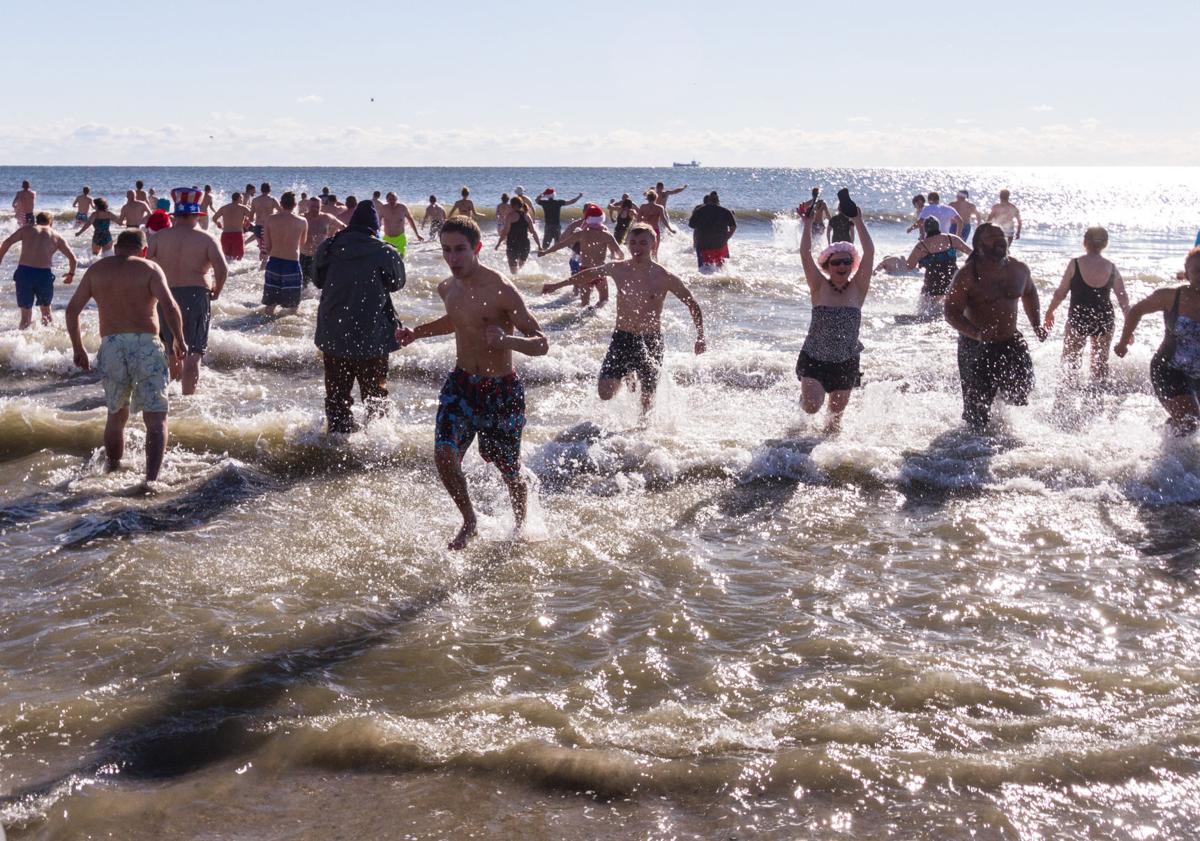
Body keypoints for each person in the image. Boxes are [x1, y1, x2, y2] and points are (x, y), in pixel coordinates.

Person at [397, 217, 549, 550]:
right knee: (444, 454)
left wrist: (508, 340)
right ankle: (470, 521)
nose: (453, 258)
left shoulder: (501, 289)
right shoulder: (446, 287)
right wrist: (416, 333)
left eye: (460, 250)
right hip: (461, 384)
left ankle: (522, 528)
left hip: (502, 390)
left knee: (510, 471)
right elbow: (456, 320)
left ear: (477, 248)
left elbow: (541, 343)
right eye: (447, 250)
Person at [541, 223, 705, 414]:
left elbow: (692, 303)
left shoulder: (664, 277)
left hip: (650, 339)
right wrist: (557, 285)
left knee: (646, 398)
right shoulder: (618, 269)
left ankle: (642, 434)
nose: (637, 247)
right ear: (627, 244)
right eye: (633, 242)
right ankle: (628, 372)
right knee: (605, 392)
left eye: (643, 243)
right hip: (622, 338)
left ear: (653, 244)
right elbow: (589, 274)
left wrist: (700, 336)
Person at [65, 229, 186, 484]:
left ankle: (112, 470)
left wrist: (78, 348)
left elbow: (72, 310)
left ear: (117, 247)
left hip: (111, 345)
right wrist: (178, 339)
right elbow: (170, 305)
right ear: (143, 250)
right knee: (156, 417)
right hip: (146, 344)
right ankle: (151, 481)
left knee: (116, 415)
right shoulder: (149, 267)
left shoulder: (96, 271)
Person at [313, 200, 406, 434]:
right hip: (372, 337)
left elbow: (317, 280)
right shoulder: (385, 251)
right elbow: (397, 283)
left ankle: (336, 441)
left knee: (336, 397)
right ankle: (376, 444)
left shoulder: (329, 247)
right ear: (375, 228)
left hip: (334, 334)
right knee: (375, 397)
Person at [943, 223, 1047, 430]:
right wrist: (977, 334)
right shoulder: (967, 275)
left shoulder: (1019, 269)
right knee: (976, 415)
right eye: (992, 236)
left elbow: (1030, 293)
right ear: (979, 245)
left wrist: (1036, 324)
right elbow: (950, 312)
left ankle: (1002, 427)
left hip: (1011, 341)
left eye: (1002, 235)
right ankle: (971, 451)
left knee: (1020, 393)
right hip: (976, 345)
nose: (1000, 239)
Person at [796, 207, 875, 433]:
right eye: (836, 262)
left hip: (846, 359)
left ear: (852, 263)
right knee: (812, 406)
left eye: (846, 261)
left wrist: (858, 220)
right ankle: (801, 402)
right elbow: (804, 254)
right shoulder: (818, 286)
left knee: (833, 424)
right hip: (815, 355)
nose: (841, 266)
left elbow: (869, 253)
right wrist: (808, 223)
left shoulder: (858, 288)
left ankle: (827, 461)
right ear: (827, 266)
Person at [146, 188, 229, 394]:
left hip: (166, 294)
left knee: (172, 348)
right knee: (194, 352)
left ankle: (174, 393)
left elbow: (145, 266)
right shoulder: (206, 238)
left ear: (175, 214)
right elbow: (222, 269)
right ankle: (188, 398)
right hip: (196, 294)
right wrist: (217, 290)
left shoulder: (158, 238)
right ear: (196, 214)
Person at [1115, 247, 1200, 435]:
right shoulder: (1170, 296)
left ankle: (1162, 445)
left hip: (1197, 375)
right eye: (1198, 271)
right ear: (1187, 274)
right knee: (1190, 420)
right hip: (1168, 368)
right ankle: (1171, 461)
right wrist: (1123, 342)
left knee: (1186, 422)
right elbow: (1137, 310)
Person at [1043, 227, 1130, 388]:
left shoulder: (1075, 264)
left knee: (1070, 361)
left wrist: (1050, 311)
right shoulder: (1111, 267)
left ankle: (1067, 394)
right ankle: (1096, 396)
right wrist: (1129, 326)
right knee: (1100, 363)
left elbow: (1060, 293)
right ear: (1105, 244)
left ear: (1085, 242)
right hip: (1104, 319)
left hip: (1078, 318)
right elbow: (1123, 299)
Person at [0, 212, 78, 328]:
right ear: (51, 222)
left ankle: (22, 341)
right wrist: (71, 274)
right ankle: (47, 342)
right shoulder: (56, 236)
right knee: (46, 312)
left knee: (25, 316)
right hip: (43, 275)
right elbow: (73, 259)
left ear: (37, 220)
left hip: (24, 273)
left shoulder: (26, 229)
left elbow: (6, 243)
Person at [539, 203, 624, 306]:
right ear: (601, 218)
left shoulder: (581, 234)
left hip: (584, 271)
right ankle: (594, 313)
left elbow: (561, 244)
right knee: (604, 299)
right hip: (599, 271)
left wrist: (545, 252)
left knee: (584, 303)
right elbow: (620, 254)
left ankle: (581, 318)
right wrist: (617, 263)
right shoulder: (606, 235)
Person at [905, 217, 972, 314]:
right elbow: (972, 253)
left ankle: (924, 316)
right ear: (938, 226)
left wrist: (921, 261)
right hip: (952, 278)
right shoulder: (952, 238)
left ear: (925, 229)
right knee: (952, 304)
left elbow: (909, 266)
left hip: (932, 281)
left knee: (926, 308)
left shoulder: (922, 245)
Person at [261, 191, 308, 316]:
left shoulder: (270, 219)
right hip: (292, 263)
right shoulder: (302, 221)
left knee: (270, 305)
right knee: (293, 305)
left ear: (281, 204)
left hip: (274, 262)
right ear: (295, 204)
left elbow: (267, 245)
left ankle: (264, 324)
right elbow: (302, 245)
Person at [300, 196, 345, 286]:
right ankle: (304, 300)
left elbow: (343, 227)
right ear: (308, 206)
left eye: (317, 207)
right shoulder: (302, 218)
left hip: (321, 256)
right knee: (304, 284)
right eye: (312, 207)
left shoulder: (327, 218)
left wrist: (335, 241)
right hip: (305, 255)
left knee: (321, 284)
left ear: (321, 207)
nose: (315, 209)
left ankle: (318, 300)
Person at [687, 191, 737, 270]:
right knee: (721, 268)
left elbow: (691, 225)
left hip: (703, 244)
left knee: (704, 269)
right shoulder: (726, 211)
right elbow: (733, 227)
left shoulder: (699, 210)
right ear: (718, 201)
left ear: (708, 200)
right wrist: (727, 237)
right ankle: (722, 281)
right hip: (720, 244)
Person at [496, 196, 541, 275]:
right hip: (525, 245)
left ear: (514, 205)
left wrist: (498, 244)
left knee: (514, 273)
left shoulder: (510, 216)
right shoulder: (527, 216)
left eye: (511, 205)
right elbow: (533, 232)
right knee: (520, 270)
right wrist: (539, 245)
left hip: (512, 245)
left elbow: (505, 232)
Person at [379, 193, 424, 257]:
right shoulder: (383, 208)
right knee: (386, 259)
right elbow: (378, 222)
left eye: (394, 199)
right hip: (387, 238)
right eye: (390, 199)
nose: (392, 201)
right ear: (387, 200)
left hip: (400, 238)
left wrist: (417, 235)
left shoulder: (402, 208)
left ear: (397, 199)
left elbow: (410, 220)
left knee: (401, 258)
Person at [212, 193, 254, 261]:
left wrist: (218, 223)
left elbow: (214, 218)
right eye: (242, 198)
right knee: (239, 256)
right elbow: (252, 218)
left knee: (225, 256)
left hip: (226, 234)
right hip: (237, 234)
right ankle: (236, 271)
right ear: (239, 199)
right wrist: (247, 222)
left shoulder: (224, 207)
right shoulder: (243, 208)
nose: (242, 199)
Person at [250, 182, 282, 264]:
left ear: (261, 190)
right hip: (268, 227)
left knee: (262, 249)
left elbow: (251, 216)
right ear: (270, 190)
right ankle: (262, 269)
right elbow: (281, 211)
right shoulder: (272, 199)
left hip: (257, 227)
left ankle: (259, 268)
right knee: (266, 250)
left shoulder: (255, 200)